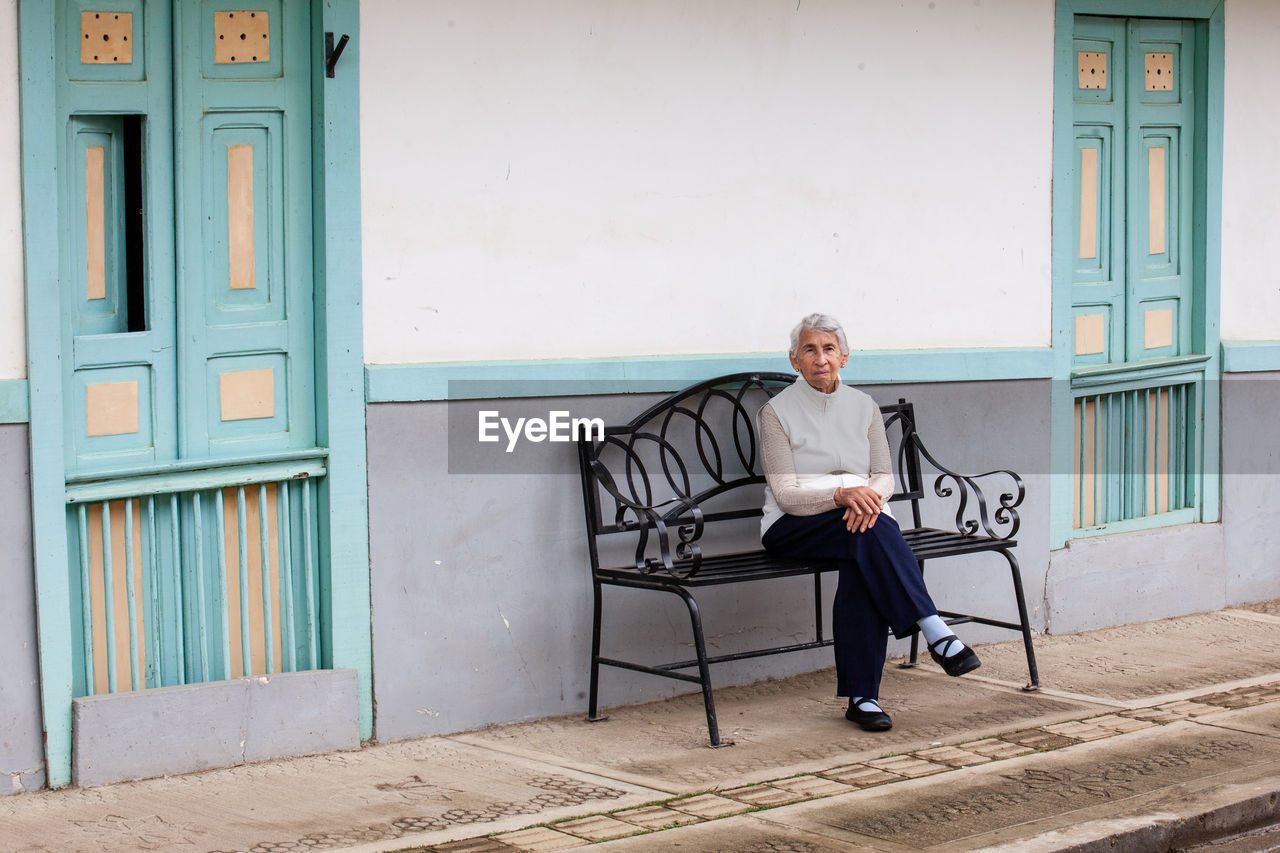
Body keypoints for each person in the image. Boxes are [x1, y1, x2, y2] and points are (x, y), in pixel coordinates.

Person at [759, 313, 980, 731]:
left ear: (844, 356)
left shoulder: (863, 407)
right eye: (810, 349)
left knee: (863, 551)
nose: (820, 358)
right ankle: (935, 632)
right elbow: (786, 494)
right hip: (795, 524)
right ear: (794, 360)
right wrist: (841, 495)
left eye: (828, 349)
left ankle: (864, 699)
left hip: (860, 520)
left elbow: (883, 476)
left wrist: (867, 498)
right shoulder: (775, 413)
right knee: (870, 534)